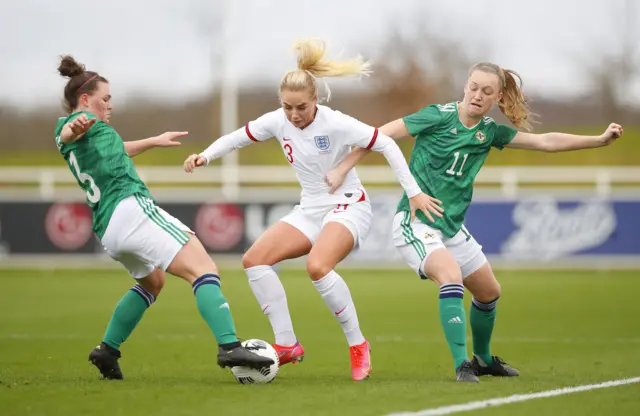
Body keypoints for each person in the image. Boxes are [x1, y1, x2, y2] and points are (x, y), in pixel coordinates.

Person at [326, 61, 624, 382]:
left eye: (487, 91)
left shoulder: (489, 133)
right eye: (473, 87)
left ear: (496, 98)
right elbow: (381, 135)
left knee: (488, 292)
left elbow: (545, 142)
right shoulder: (437, 116)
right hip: (415, 223)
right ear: (465, 86)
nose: (477, 95)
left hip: (452, 228)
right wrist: (343, 167)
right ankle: (461, 364)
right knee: (450, 277)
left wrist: (599, 140)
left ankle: (482, 359)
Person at [184, 38, 443, 381]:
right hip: (310, 209)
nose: (294, 114)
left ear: (315, 100)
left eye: (301, 107)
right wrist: (205, 156)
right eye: (288, 107)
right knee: (254, 260)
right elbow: (237, 137)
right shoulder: (278, 121)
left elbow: (386, 143)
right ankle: (287, 344)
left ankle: (357, 345)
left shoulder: (335, 122)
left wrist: (413, 192)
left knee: (317, 266)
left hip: (349, 207)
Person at [54, 55, 274, 380]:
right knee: (203, 268)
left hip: (109, 228)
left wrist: (153, 142)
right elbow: (71, 130)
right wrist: (76, 125)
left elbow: (106, 146)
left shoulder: (87, 134)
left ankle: (107, 350)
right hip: (130, 209)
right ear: (85, 100)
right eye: (105, 99)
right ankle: (229, 346)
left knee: (153, 281)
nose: (109, 105)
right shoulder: (78, 125)